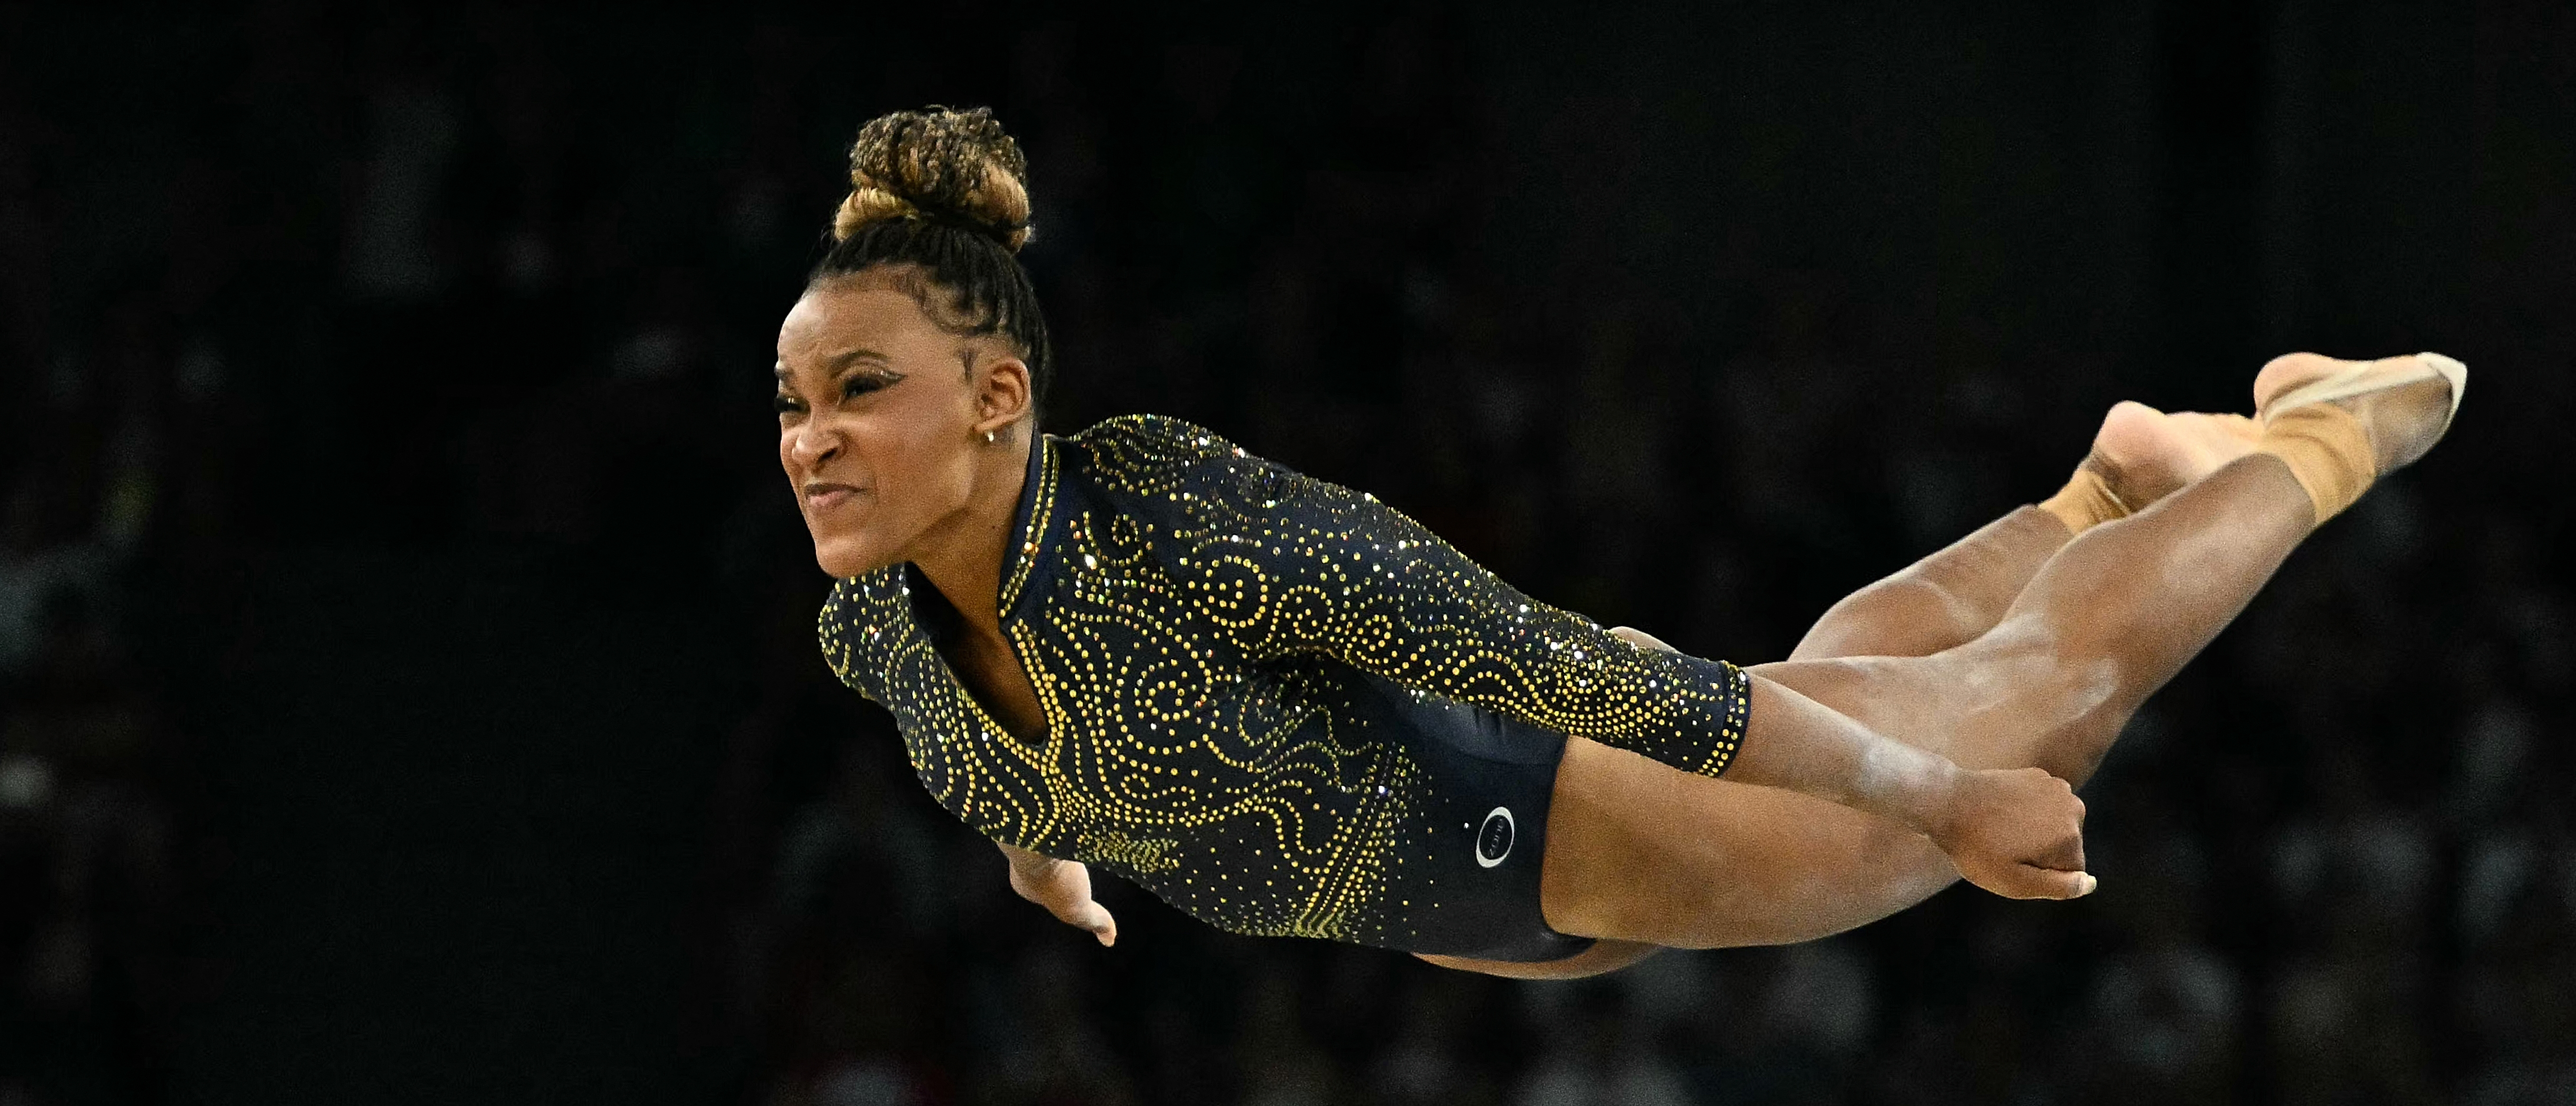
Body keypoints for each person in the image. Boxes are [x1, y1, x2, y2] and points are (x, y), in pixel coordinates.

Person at [778, 107, 2464, 980]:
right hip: (1493, 911)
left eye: (860, 390)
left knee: (2046, 695)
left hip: (1564, 793)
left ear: (999, 393)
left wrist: (1945, 802)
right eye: (789, 402)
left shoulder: (1168, 523)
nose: (810, 442)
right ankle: (2097, 494)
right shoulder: (877, 632)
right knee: (1854, 677)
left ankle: (2338, 425)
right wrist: (1044, 849)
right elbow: (1033, 762)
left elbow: (1538, 658)